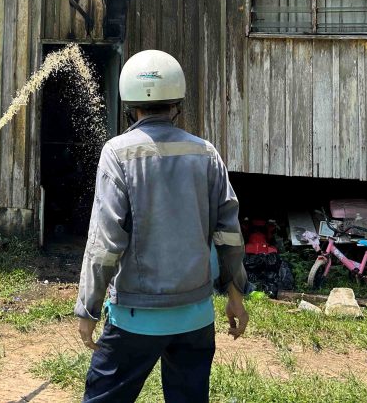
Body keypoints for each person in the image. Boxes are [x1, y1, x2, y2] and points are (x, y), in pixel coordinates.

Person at [75, 50, 250, 403]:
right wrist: (235, 296)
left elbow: (106, 242)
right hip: (196, 317)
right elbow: (229, 233)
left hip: (136, 317)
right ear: (177, 102)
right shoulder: (205, 153)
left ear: (129, 104)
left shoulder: (117, 153)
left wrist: (89, 309)